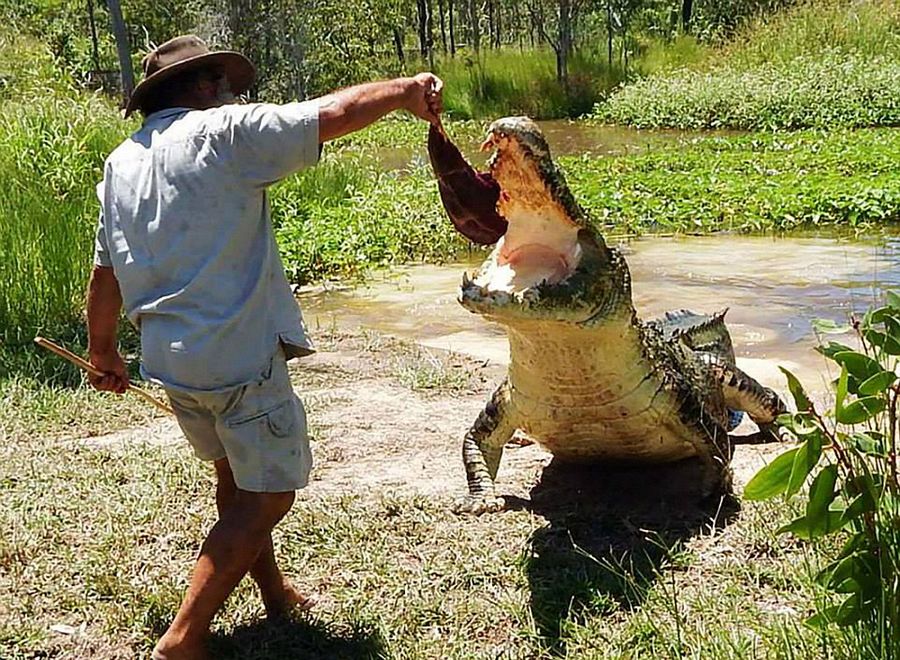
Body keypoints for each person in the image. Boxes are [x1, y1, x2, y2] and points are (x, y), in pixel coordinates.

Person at [86, 34, 443, 660]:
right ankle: (184, 638)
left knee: (236, 477)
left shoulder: (122, 161)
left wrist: (104, 351)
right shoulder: (220, 132)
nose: (234, 91)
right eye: (224, 80)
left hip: (172, 360)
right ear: (201, 88)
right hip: (236, 356)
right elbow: (326, 116)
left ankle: (274, 591)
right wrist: (404, 91)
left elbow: (106, 272)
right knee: (270, 493)